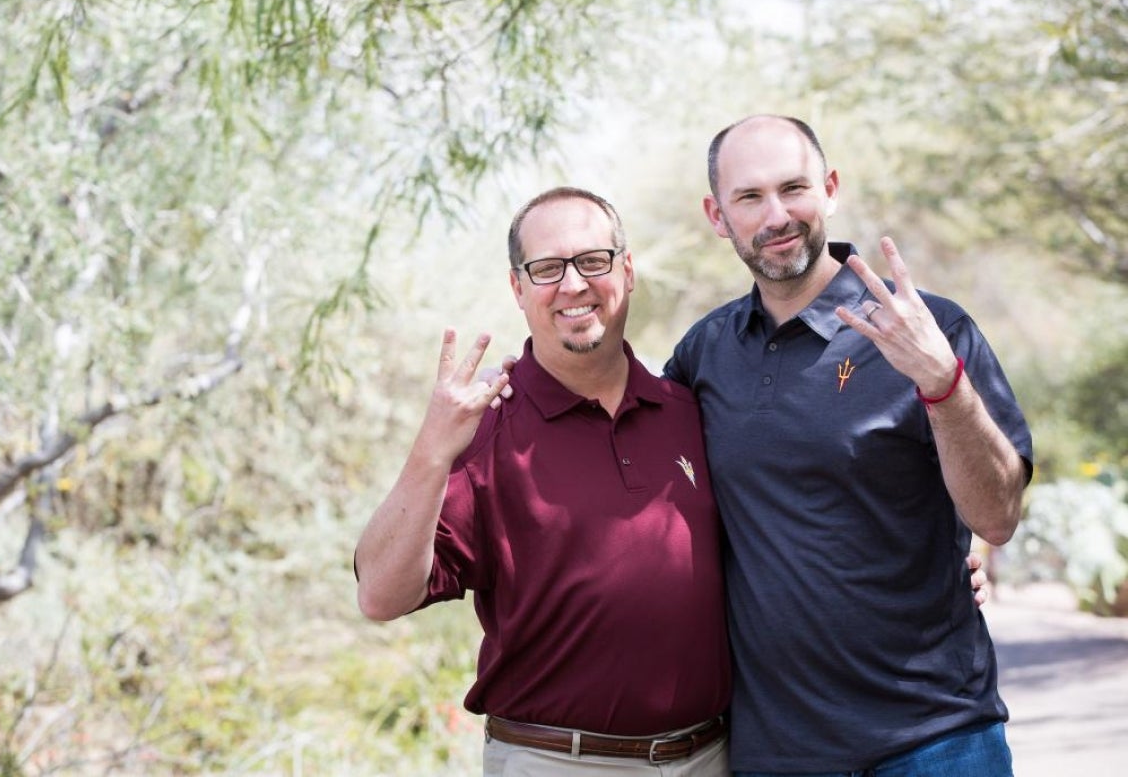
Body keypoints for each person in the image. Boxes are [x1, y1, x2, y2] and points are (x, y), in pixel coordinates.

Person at [663, 114, 1033, 776]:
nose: (776, 215)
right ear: (717, 216)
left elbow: (998, 516)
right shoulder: (704, 354)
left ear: (830, 188)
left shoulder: (931, 327)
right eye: (749, 197)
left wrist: (942, 386)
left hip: (938, 738)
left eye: (794, 188)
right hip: (781, 752)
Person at [355, 187, 733, 775]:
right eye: (548, 268)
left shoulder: (685, 408)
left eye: (593, 261)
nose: (574, 284)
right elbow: (380, 595)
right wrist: (431, 450)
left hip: (710, 755)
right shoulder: (484, 428)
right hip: (558, 761)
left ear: (626, 271)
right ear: (518, 289)